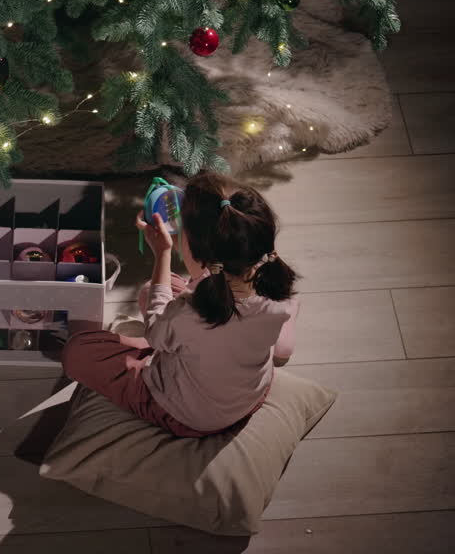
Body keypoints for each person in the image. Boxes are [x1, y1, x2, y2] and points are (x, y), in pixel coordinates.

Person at [62, 171, 299, 436]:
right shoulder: (275, 291)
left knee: (78, 349)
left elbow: (154, 334)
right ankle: (280, 346)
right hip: (249, 394)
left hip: (188, 415)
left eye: (182, 234)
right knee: (154, 290)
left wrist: (162, 253)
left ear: (198, 253)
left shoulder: (188, 313)